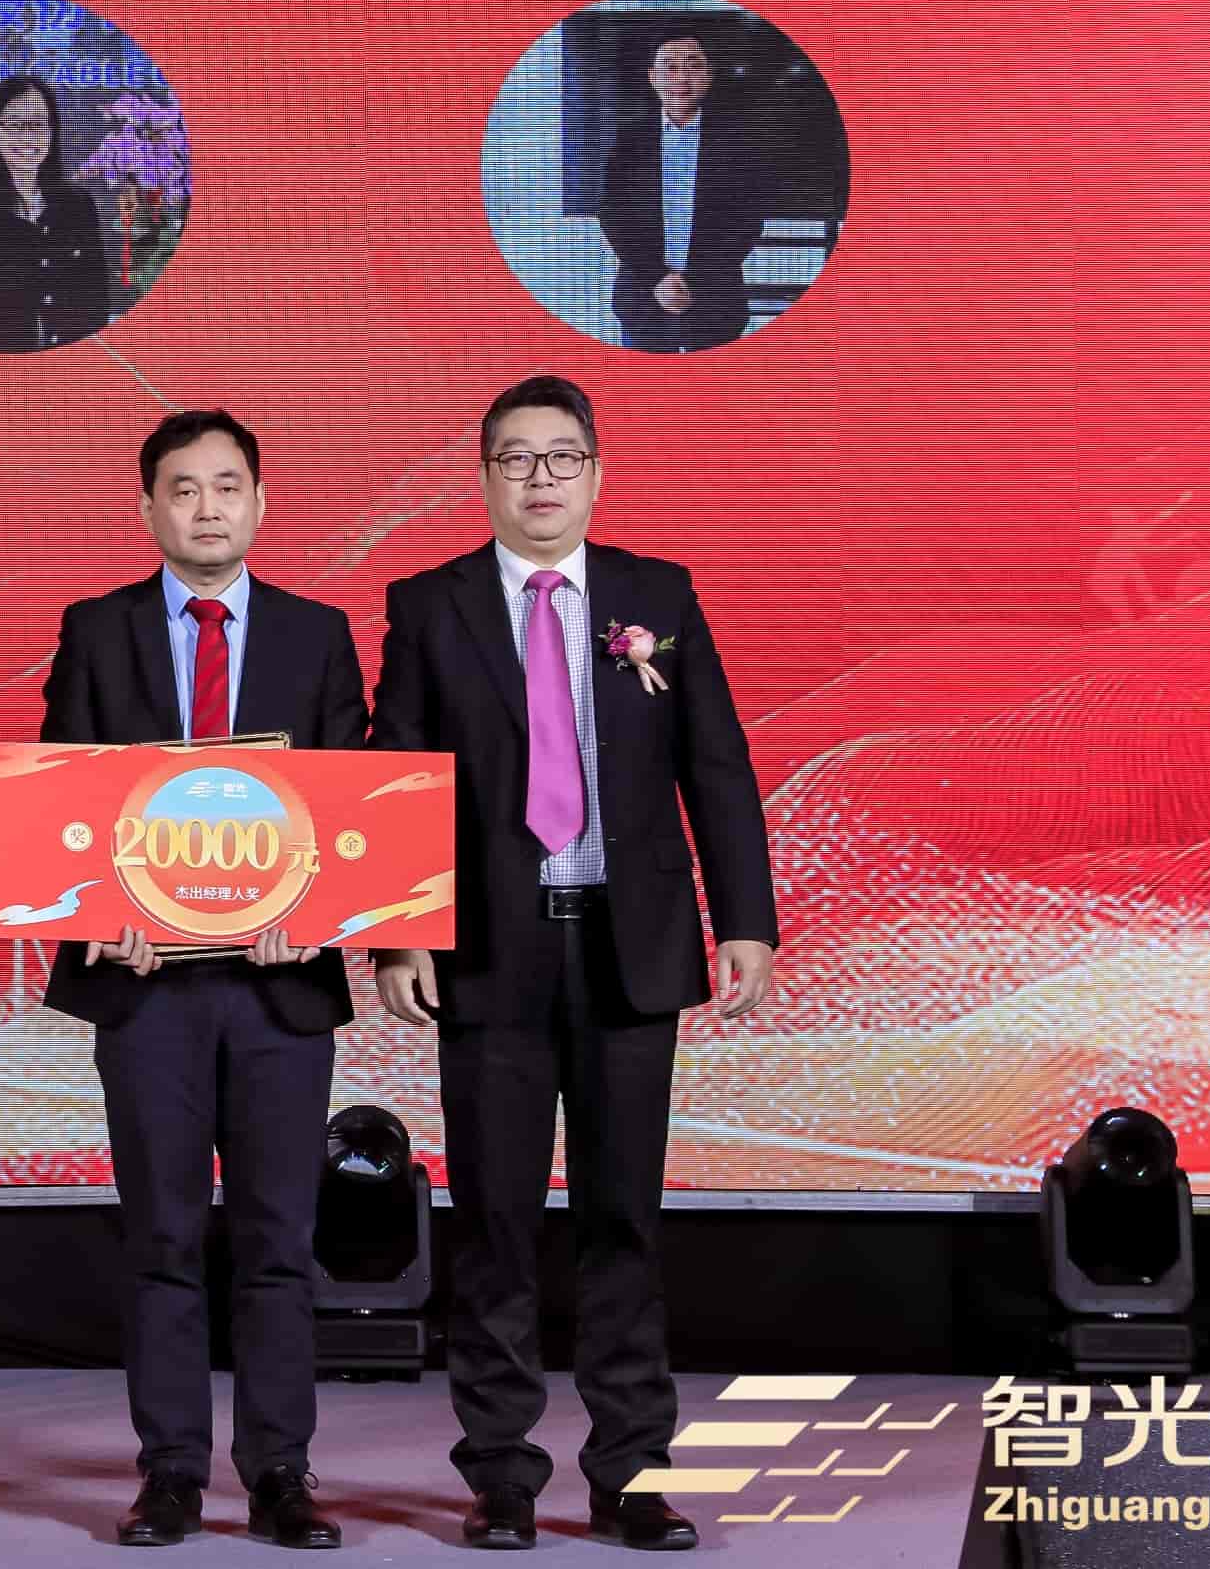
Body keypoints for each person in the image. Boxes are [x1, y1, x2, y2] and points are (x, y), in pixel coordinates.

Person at [367, 376, 778, 1552]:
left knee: (621, 1217)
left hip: (628, 942)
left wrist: (744, 917)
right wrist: (399, 927)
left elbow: (714, 759)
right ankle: (500, 1473)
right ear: (483, 476)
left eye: (561, 457)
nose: (539, 478)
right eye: (515, 457)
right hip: (489, 950)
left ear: (596, 473)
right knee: (494, 1220)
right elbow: (398, 771)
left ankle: (630, 1471)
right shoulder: (430, 604)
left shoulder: (657, 595)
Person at [38, 411, 367, 1551]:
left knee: (278, 1238)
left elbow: (350, 798)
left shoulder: (318, 634)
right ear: (148, 509)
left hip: (280, 988)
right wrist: (101, 911)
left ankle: (280, 1470)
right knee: (163, 1236)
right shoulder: (98, 629)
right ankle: (170, 1470)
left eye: (228, 485)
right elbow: (62, 795)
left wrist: (313, 913)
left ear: (260, 502)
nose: (208, 507)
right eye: (184, 489)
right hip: (149, 992)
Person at [597, 35, 773, 354]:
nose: (681, 77)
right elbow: (615, 217)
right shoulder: (629, 140)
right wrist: (658, 279)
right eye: (670, 67)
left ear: (709, 75)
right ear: (652, 76)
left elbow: (747, 221)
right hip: (643, 298)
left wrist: (694, 281)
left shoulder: (738, 141)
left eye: (693, 66)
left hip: (715, 300)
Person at [0, 73, 109, 353]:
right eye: (15, 125)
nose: (28, 137)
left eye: (39, 124)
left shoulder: (79, 207)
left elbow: (97, 306)